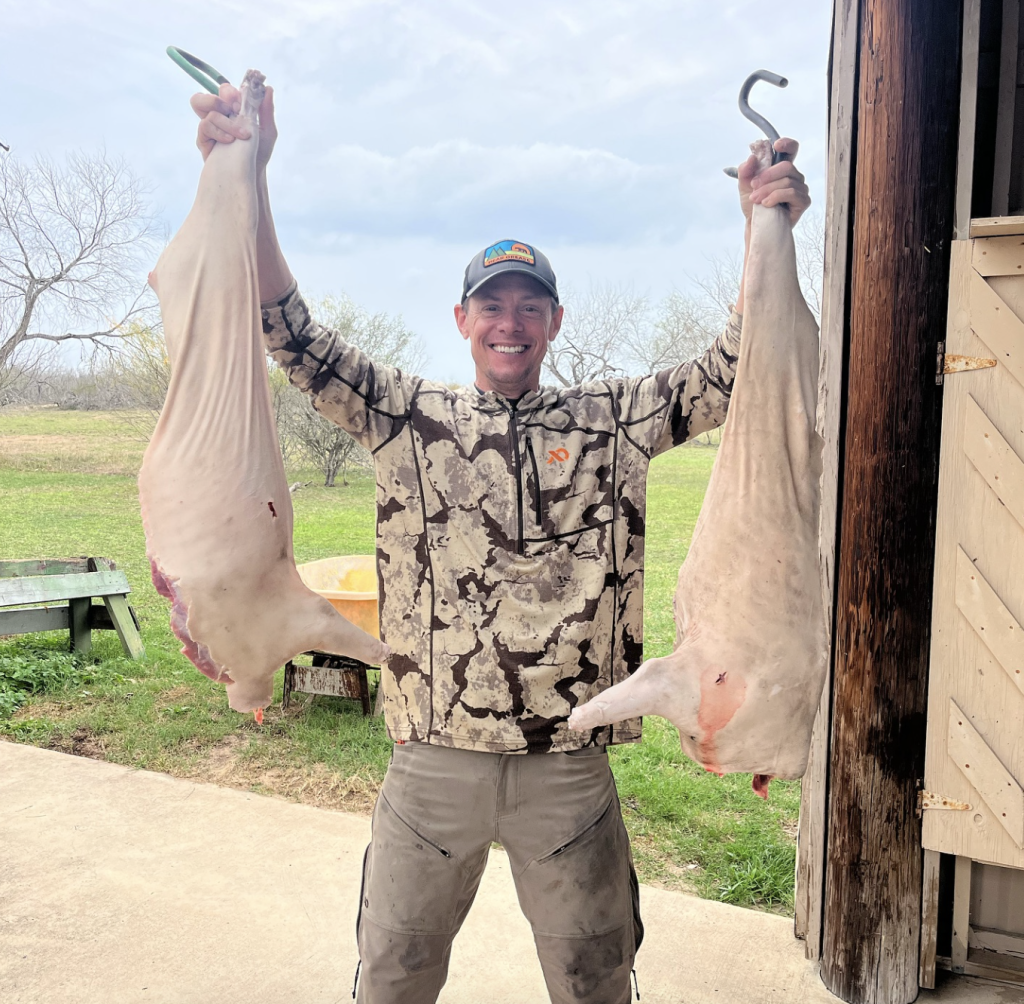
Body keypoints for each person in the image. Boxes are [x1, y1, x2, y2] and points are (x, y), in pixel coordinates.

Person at [191, 82, 810, 1004]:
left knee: (596, 979)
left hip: (569, 766)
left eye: (530, 307)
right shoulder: (404, 416)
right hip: (432, 763)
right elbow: (292, 333)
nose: (510, 324)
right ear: (462, 320)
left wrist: (767, 224)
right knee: (393, 977)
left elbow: (738, 367)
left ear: (555, 322)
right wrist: (249, 174)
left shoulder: (614, 419)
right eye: (492, 306)